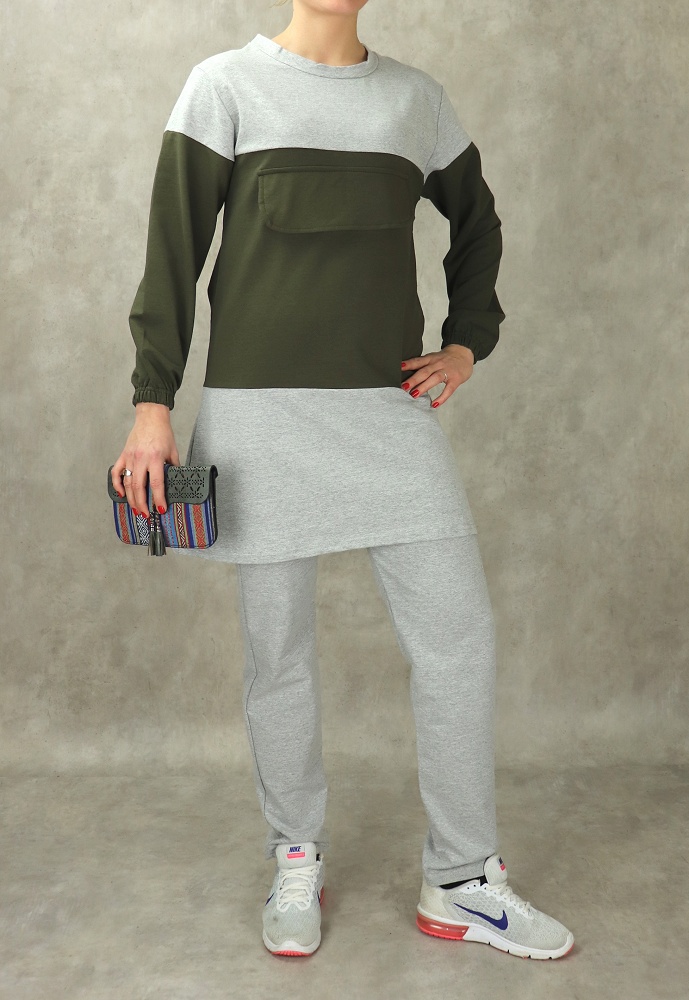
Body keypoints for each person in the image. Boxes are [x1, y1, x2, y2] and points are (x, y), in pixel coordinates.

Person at [110, 0, 574, 961]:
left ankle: (460, 879)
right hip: (255, 416)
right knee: (277, 652)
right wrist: (153, 401)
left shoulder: (415, 101)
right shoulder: (222, 87)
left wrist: (466, 342)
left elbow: (478, 224)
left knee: (459, 642)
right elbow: (171, 253)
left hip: (384, 415)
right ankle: (296, 855)